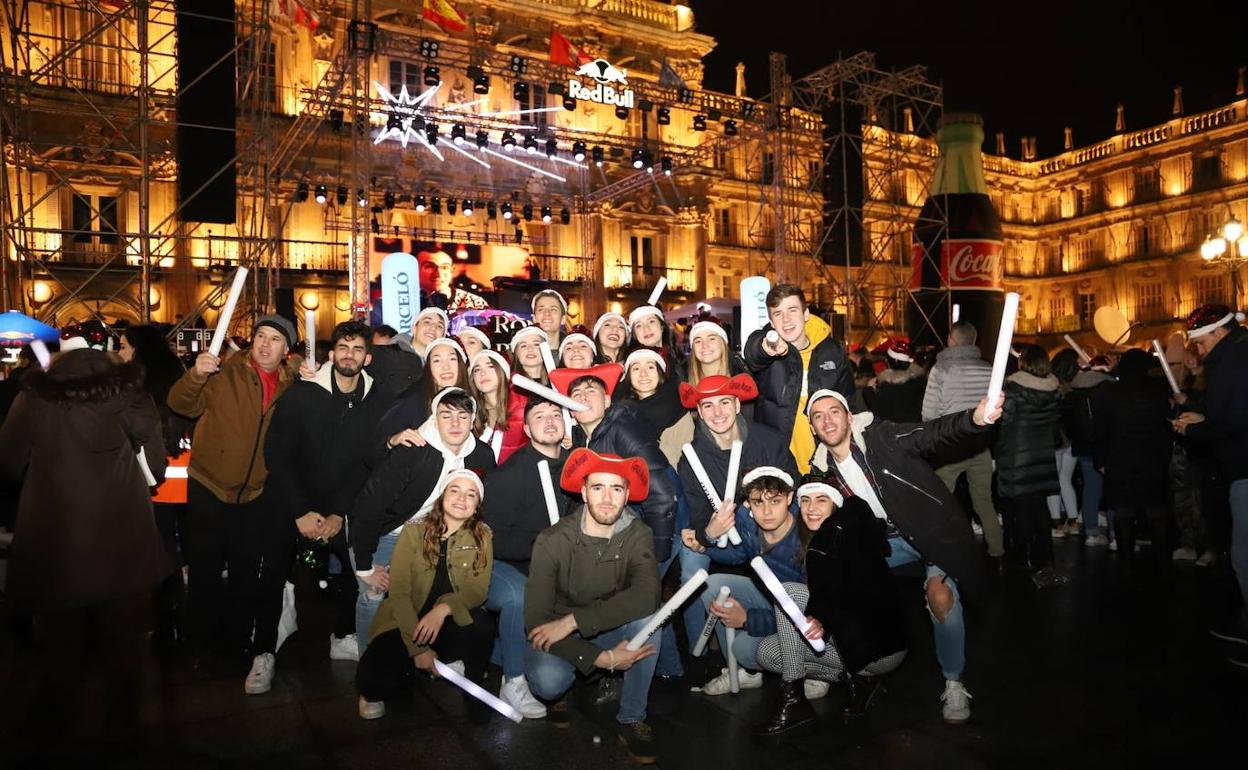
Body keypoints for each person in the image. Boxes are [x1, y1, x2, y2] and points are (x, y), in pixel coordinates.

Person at [0, 348, 167, 754]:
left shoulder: (33, 397)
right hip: (120, 535)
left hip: (54, 538)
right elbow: (157, 459)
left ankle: (55, 729)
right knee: (124, 643)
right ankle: (123, 728)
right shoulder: (127, 393)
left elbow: (8, 460)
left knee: (59, 642)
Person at [806, 387, 999, 724]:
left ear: (849, 416)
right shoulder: (822, 472)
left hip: (928, 532)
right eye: (818, 416)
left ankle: (953, 681)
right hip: (885, 543)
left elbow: (931, 433)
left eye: (834, 411)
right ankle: (837, 665)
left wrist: (974, 419)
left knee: (940, 597)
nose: (827, 420)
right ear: (812, 428)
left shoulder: (883, 438)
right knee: (836, 577)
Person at [166, 315, 299, 693]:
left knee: (244, 572)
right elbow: (180, 403)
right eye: (261, 336)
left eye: (275, 339)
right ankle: (199, 644)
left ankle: (237, 641)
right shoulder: (224, 371)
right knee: (205, 572)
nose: (265, 344)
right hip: (209, 484)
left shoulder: (292, 384)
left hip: (255, 493)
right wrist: (196, 374)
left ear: (285, 348)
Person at [263, 321, 391, 665]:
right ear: (332, 354)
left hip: (343, 508)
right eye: (344, 348)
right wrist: (300, 511)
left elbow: (365, 464)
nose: (350, 355)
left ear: (367, 358)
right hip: (296, 505)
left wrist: (338, 512)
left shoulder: (375, 402)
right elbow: (278, 454)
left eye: (358, 349)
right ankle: (264, 648)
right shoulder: (303, 394)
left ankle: (344, 635)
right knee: (281, 570)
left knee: (354, 572)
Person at [524, 448, 661, 762]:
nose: (607, 498)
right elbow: (535, 623)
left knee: (651, 622)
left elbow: (648, 593)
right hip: (557, 638)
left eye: (616, 489)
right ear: (584, 492)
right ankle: (565, 689)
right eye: (598, 487)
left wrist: (574, 621)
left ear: (627, 496)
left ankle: (631, 718)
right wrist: (601, 658)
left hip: (595, 625)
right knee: (548, 683)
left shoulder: (638, 534)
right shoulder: (552, 540)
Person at [755, 477, 908, 737]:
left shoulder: (837, 537)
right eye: (806, 500)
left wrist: (822, 617)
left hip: (879, 647)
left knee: (788, 593)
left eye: (821, 500)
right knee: (767, 653)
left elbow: (852, 589)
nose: (811, 507)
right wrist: (822, 615)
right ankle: (858, 682)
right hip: (864, 642)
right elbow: (838, 588)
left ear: (834, 505)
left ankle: (794, 703)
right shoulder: (835, 532)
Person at [351, 388, 496, 652]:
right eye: (446, 415)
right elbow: (370, 504)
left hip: (443, 535)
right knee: (373, 594)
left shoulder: (482, 456)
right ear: (434, 418)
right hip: (393, 531)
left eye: (463, 416)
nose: (454, 423)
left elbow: (486, 503)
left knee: (442, 595)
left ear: (473, 420)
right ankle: (369, 662)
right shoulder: (414, 449)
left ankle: (440, 655)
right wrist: (364, 565)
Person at [355, 470, 496, 721]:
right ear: (442, 497)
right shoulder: (413, 531)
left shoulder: (482, 535)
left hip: (447, 623)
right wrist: (417, 648)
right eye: (455, 490)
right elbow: (398, 592)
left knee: (482, 624)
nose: (462, 498)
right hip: (405, 622)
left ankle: (473, 686)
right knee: (371, 684)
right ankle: (409, 669)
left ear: (476, 506)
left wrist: (442, 610)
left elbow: (477, 591)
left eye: (470, 494)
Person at [677, 374, 797, 656]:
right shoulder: (691, 458)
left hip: (777, 537)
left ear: (737, 405)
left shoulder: (769, 441)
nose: (717, 412)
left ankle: (784, 640)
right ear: (698, 413)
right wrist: (708, 533)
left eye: (724, 402)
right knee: (701, 575)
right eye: (708, 406)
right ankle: (720, 658)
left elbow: (795, 490)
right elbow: (697, 517)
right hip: (728, 541)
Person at [481, 397, 576, 718]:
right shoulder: (508, 475)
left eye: (555, 414)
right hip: (509, 572)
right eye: (539, 416)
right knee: (549, 680)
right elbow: (492, 538)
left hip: (562, 586)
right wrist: (543, 546)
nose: (550, 421)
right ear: (526, 428)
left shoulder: (577, 468)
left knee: (555, 679)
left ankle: (499, 647)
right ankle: (513, 679)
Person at [1172, 305, 1248, 656]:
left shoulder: (1233, 361)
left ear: (1219, 333)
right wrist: (1203, 415)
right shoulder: (1235, 356)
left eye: (1200, 343)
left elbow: (1236, 419)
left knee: (1244, 555)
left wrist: (1197, 427)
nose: (1197, 351)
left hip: (1244, 470)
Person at [550, 364, 677, 566]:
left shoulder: (622, 429)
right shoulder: (585, 440)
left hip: (662, 527)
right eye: (577, 394)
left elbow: (662, 495)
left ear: (607, 400)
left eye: (591, 391)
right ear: (570, 410)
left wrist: (654, 554)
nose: (583, 397)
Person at [693, 467, 804, 696]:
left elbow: (811, 615)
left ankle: (815, 672)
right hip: (771, 601)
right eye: (757, 502)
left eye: (775, 501)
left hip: (804, 621)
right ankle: (744, 673)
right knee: (713, 586)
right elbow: (738, 554)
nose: (766, 511)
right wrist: (704, 544)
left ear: (790, 498)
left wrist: (747, 620)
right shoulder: (753, 526)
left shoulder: (806, 538)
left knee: (743, 649)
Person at [119, 324, 194, 649]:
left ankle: (167, 621)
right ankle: (185, 619)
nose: (119, 352)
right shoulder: (179, 377)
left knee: (160, 550)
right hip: (188, 476)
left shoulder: (135, 388)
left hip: (154, 479)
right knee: (182, 549)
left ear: (138, 350)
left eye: (123, 346)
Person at [743, 284, 854, 475]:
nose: (786, 319)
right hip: (778, 464)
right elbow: (753, 352)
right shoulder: (769, 352)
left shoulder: (832, 351)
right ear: (771, 322)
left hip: (826, 465)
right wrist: (765, 347)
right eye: (777, 314)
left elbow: (850, 404)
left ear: (805, 314)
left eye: (792, 310)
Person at [920, 320, 1003, 563]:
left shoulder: (941, 369)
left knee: (941, 501)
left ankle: (941, 553)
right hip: (980, 446)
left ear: (950, 340)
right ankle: (997, 552)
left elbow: (929, 414)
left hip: (949, 447)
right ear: (974, 341)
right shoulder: (989, 370)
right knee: (984, 502)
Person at [1094, 349, 1173, 568]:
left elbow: (1100, 429)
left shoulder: (1109, 393)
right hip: (1152, 459)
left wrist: (1100, 459)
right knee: (1156, 510)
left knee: (1124, 511)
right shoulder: (1157, 392)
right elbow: (1165, 428)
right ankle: (1161, 559)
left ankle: (1125, 559)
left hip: (1120, 460)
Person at [994, 344, 1062, 573]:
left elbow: (1004, 424)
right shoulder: (1053, 389)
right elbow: (1054, 425)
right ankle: (1045, 555)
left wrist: (998, 450)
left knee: (1021, 508)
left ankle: (1021, 556)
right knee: (1039, 505)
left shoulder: (1013, 389)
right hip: (1042, 454)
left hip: (1017, 456)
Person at [373, 336, 469, 462]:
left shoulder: (472, 401)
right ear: (428, 367)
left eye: (452, 359)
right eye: (437, 361)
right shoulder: (411, 402)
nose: (446, 367)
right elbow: (373, 452)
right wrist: (391, 441)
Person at [1064, 355, 1115, 546]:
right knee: (1111, 490)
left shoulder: (1074, 389)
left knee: (1090, 489)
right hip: (1106, 446)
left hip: (1083, 446)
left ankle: (1091, 533)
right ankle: (1114, 534)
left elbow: (1068, 421)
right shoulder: (1109, 389)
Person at [617, 346, 692, 465]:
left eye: (650, 367)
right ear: (628, 376)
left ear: (660, 372)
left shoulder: (678, 411)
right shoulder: (620, 414)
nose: (643, 374)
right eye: (636, 368)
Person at [1046, 349, 1082, 538]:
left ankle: (1057, 524)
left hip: (1056, 440)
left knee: (1053, 482)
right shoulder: (1077, 387)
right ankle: (1073, 522)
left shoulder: (1051, 386)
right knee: (1065, 480)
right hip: (1073, 439)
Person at [469, 349, 525, 464]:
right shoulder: (470, 412)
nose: (482, 373)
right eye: (477, 369)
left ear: (503, 371)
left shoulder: (523, 407)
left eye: (490, 367)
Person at [863, 339, 926, 423]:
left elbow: (880, 410)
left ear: (889, 362)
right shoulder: (920, 381)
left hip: (896, 432)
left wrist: (868, 390)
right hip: (918, 430)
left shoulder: (888, 386)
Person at [627, 304, 685, 376]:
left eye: (651, 321)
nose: (646, 329)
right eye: (639, 325)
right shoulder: (632, 365)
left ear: (662, 326)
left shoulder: (677, 357)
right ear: (634, 334)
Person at [420, 249, 488, 310]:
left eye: (444, 267)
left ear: (452, 270)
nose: (438, 274)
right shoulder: (410, 303)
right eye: (429, 267)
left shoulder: (475, 303)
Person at [531, 289, 568, 353]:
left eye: (553, 309)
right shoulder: (520, 354)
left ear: (563, 319)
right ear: (534, 318)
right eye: (541, 310)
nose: (547, 313)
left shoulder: (573, 355)